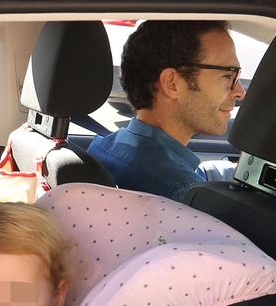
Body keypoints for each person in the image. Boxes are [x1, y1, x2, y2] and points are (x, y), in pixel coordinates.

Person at [87, 20, 247, 201]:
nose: (240, 92)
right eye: (228, 76)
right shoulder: (183, 195)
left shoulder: (106, 148)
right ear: (172, 84)